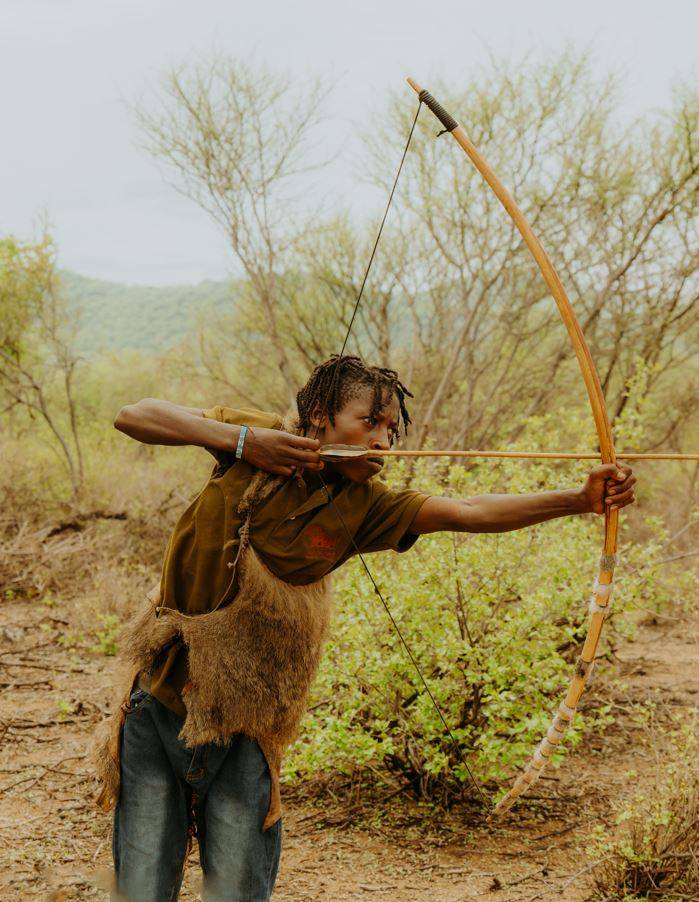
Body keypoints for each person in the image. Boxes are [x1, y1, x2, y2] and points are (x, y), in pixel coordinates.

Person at [92, 355, 636, 901]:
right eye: (368, 423)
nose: (382, 443)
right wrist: (243, 443)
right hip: (158, 700)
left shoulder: (368, 507)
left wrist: (579, 501)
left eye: (391, 431)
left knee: (235, 889)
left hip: (246, 722)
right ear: (321, 416)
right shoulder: (256, 438)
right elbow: (135, 415)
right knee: (140, 885)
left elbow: (469, 509)